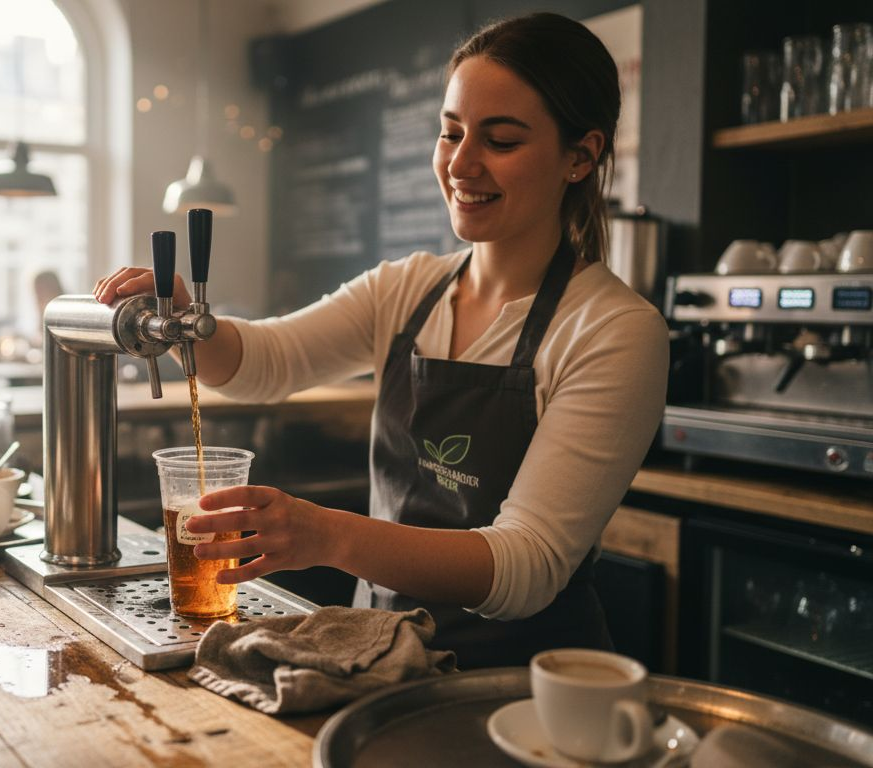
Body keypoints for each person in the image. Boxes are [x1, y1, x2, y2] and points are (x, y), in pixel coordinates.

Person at [94, 13, 668, 668]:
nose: (460, 162)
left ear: (581, 155)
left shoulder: (614, 330)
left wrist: (326, 535)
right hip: (379, 661)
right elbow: (262, 364)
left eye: (501, 140)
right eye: (450, 132)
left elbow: (525, 566)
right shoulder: (404, 291)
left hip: (518, 691)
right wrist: (189, 321)